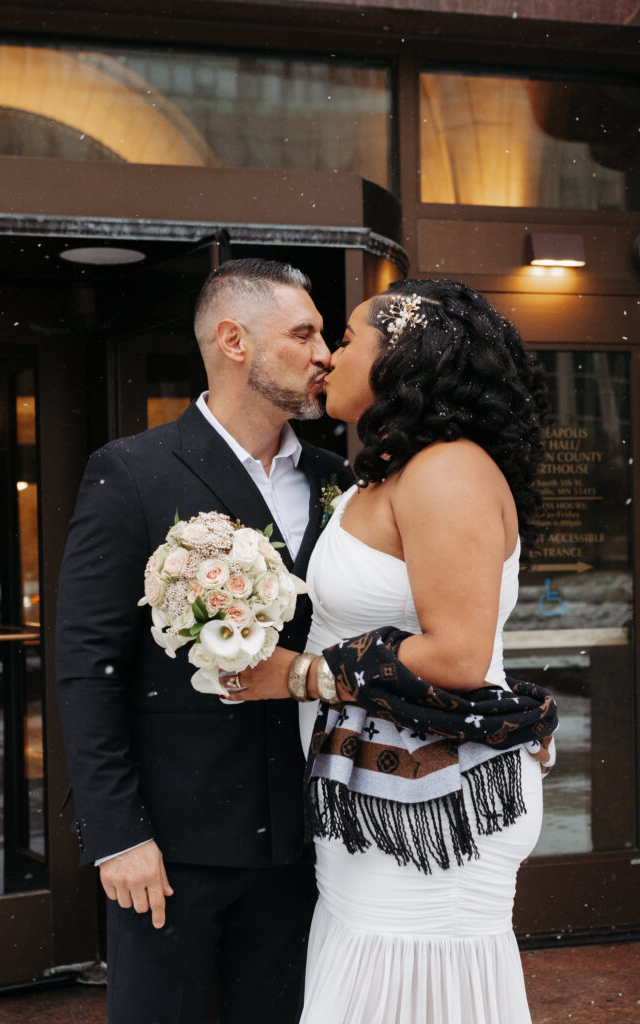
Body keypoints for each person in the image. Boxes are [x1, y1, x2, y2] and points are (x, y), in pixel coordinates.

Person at [231, 278, 557, 1024]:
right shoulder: (383, 473)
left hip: (434, 802)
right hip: (374, 794)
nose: (328, 357)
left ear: (399, 359)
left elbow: (459, 657)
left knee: (406, 988)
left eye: (346, 339)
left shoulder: (447, 471)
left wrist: (302, 676)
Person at [55, 257, 354, 1024]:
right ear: (233, 341)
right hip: (173, 844)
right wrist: (117, 835)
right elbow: (88, 668)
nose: (325, 353)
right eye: (304, 332)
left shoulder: (336, 479)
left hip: (310, 841)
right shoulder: (132, 472)